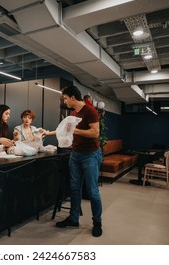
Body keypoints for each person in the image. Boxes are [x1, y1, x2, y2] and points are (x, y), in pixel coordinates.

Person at [46, 85, 103, 237]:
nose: (64, 101)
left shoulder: (90, 111)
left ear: (72, 97)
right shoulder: (72, 113)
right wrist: (46, 133)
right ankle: (73, 218)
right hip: (75, 155)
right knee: (74, 189)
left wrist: (74, 130)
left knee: (92, 191)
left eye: (65, 98)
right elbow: (64, 130)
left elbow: (95, 133)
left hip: (90, 155)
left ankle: (97, 222)